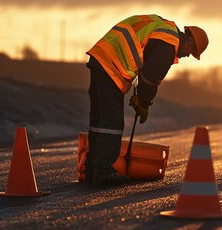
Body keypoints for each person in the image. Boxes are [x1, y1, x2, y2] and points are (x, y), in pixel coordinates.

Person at [83, 14, 208, 185]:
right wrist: (144, 103)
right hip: (111, 65)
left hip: (100, 57)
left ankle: (92, 169)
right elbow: (150, 79)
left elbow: (143, 65)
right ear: (188, 44)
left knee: (99, 119)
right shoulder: (168, 44)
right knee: (111, 122)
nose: (186, 56)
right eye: (189, 53)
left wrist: (140, 97)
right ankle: (103, 171)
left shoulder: (163, 27)